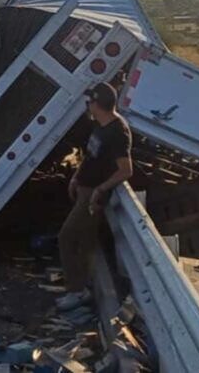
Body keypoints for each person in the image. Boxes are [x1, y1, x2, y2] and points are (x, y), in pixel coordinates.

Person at [57, 82, 133, 311]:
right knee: (85, 240)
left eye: (90, 102)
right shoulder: (100, 126)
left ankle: (76, 291)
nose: (87, 106)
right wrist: (76, 177)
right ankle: (82, 284)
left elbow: (126, 170)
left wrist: (100, 190)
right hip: (84, 189)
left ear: (97, 105)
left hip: (93, 196)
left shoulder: (117, 132)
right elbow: (90, 156)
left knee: (66, 237)